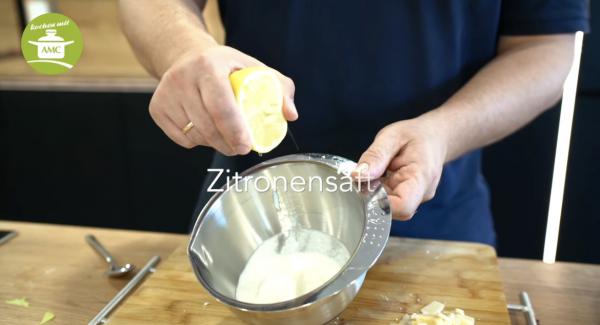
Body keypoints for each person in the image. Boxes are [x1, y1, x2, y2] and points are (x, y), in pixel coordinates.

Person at [119, 0, 589, 245]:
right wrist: (186, 50)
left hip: (432, 209)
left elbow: (544, 46)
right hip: (251, 206)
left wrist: (443, 132)